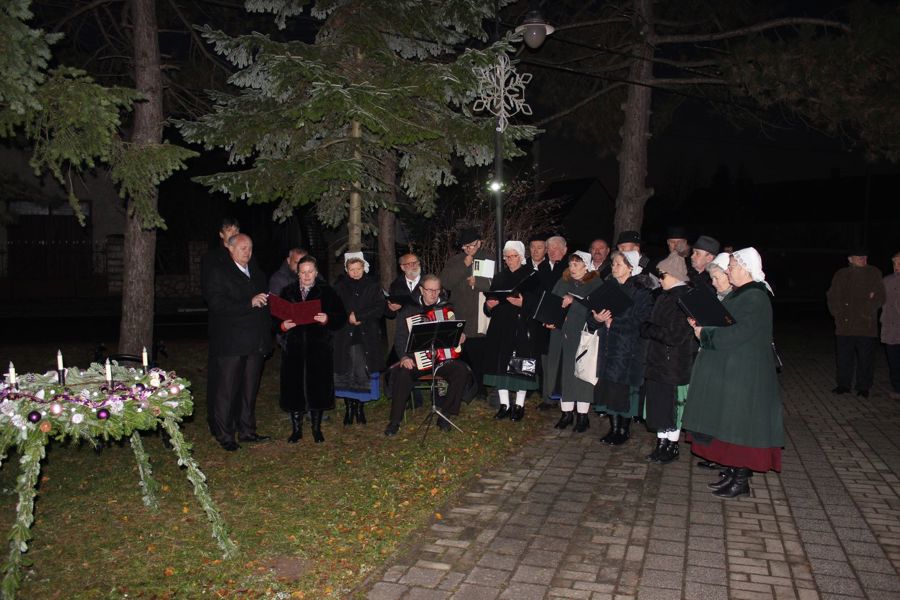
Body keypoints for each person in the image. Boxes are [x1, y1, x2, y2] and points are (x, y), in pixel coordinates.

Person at [683, 248, 782, 498]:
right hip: (734, 369)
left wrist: (705, 334)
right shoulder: (741, 294)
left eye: (733, 267)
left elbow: (739, 332)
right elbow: (725, 322)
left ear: (747, 269)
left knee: (740, 426)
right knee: (729, 423)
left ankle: (740, 480)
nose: (728, 271)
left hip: (746, 373)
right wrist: (702, 324)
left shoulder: (755, 297)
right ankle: (731, 472)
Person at [204, 233, 273, 451]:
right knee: (227, 390)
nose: (247, 252)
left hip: (255, 341)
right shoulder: (219, 272)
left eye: (250, 248)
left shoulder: (257, 272)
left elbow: (265, 305)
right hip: (231, 343)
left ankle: (247, 431)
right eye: (243, 248)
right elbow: (217, 304)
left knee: (249, 390)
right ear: (231, 249)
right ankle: (225, 435)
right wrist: (248, 303)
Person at [384, 274, 473, 436]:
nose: (433, 294)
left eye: (437, 290)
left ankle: (445, 415)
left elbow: (458, 330)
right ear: (421, 290)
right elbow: (400, 338)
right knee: (403, 373)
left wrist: (462, 336)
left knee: (461, 370)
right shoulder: (409, 309)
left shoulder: (448, 308)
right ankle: (394, 421)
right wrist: (404, 357)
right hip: (416, 360)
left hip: (442, 360)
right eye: (429, 290)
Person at [276, 255, 347, 443]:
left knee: (318, 387)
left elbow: (341, 316)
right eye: (303, 272)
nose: (307, 275)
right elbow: (275, 319)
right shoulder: (287, 292)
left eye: (310, 271)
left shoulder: (327, 292)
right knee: (294, 387)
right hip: (294, 348)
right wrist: (283, 326)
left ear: (316, 272)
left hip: (319, 348)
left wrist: (327, 319)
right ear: (297, 273)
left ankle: (316, 428)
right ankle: (296, 430)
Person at [591, 251, 654, 445]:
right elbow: (592, 314)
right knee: (609, 389)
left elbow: (642, 321)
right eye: (613, 264)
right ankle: (613, 428)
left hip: (628, 349)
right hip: (607, 346)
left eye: (618, 264)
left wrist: (615, 323)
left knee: (623, 391)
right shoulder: (608, 287)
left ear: (630, 267)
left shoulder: (641, 291)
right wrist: (597, 318)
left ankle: (623, 430)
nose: (614, 267)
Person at [640, 253, 697, 463]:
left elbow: (675, 335)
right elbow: (648, 322)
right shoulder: (664, 296)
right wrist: (649, 327)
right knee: (658, 406)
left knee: (671, 407)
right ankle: (661, 443)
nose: (659, 279)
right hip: (658, 360)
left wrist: (650, 329)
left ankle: (672, 446)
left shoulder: (684, 299)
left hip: (673, 363)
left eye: (663, 275)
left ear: (674, 275)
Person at [543, 251, 604, 432]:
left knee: (582, 374)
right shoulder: (563, 282)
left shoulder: (595, 284)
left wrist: (575, 302)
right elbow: (552, 304)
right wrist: (549, 319)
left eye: (577, 264)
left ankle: (583, 416)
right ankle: (566, 413)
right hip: (561, 334)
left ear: (586, 266)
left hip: (582, 335)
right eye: (570, 264)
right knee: (564, 372)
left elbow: (597, 308)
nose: (572, 268)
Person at [483, 241, 542, 421]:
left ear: (521, 256)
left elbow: (539, 303)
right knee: (501, 364)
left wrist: (523, 303)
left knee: (520, 365)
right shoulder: (499, 277)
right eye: (507, 257)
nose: (510, 260)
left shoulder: (531, 275)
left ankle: (519, 405)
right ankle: (505, 404)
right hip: (500, 326)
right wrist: (489, 305)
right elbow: (489, 303)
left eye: (513, 256)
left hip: (521, 325)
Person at [333, 253, 386, 425]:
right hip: (344, 335)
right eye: (352, 269)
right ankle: (349, 408)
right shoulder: (340, 286)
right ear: (347, 270)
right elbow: (333, 308)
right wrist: (348, 317)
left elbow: (380, 307)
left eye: (358, 269)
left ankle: (360, 408)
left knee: (362, 372)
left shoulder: (373, 285)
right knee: (348, 372)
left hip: (366, 335)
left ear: (364, 268)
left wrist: (360, 316)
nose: (355, 273)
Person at [826, 248, 886, 398]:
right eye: (859, 257)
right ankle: (843, 384)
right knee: (844, 357)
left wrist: (866, 311)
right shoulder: (841, 274)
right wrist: (837, 313)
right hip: (844, 325)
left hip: (866, 325)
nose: (863, 259)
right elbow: (832, 296)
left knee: (865, 359)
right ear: (850, 259)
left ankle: (863, 386)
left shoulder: (874, 272)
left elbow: (879, 296)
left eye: (864, 256)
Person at [439, 227, 492, 395]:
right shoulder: (455, 261)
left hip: (481, 316)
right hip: (461, 314)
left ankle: (481, 389)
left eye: (472, 245)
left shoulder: (489, 258)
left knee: (481, 354)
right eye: (465, 246)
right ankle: (464, 388)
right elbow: (446, 283)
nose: (469, 249)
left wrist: (478, 283)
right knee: (462, 355)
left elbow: (495, 283)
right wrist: (464, 265)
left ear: (479, 243)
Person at [536, 235, 568, 410]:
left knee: (560, 359)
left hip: (561, 320)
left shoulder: (569, 268)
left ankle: (563, 397)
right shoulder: (542, 267)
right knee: (546, 358)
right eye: (550, 248)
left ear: (565, 250)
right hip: (543, 319)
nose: (553, 251)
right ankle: (548, 396)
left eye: (557, 248)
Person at [882, 252, 900, 400]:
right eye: (894, 263)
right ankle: (898, 388)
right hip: (891, 328)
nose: (897, 266)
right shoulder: (886, 281)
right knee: (894, 361)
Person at [386, 253, 423, 317]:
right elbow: (390, 314)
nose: (414, 265)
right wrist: (391, 309)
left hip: (426, 320)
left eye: (416, 262)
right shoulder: (396, 285)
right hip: (404, 322)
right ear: (402, 267)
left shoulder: (429, 281)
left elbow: (439, 303)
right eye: (410, 263)